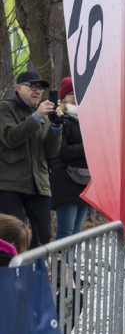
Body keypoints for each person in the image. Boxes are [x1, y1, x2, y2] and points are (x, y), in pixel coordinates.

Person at [0, 71, 63, 248]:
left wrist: (56, 126)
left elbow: (50, 152)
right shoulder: (5, 108)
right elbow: (10, 137)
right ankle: (12, 273)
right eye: (32, 86)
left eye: (41, 88)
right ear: (18, 88)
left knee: (43, 235)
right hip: (10, 183)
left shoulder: (41, 113)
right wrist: (36, 117)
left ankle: (36, 273)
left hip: (39, 183)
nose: (38, 91)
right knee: (13, 233)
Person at [49, 77, 92, 239]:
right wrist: (89, 147)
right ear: (63, 96)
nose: (75, 97)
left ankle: (70, 264)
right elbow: (63, 152)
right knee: (66, 232)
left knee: (76, 232)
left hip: (84, 179)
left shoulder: (85, 119)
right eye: (71, 94)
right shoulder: (59, 118)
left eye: (78, 94)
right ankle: (61, 263)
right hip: (65, 180)